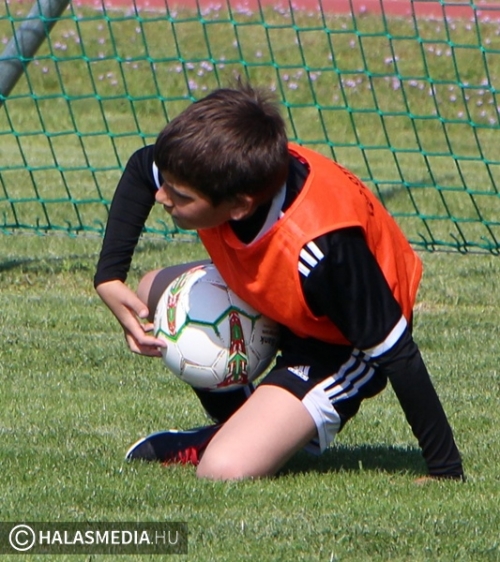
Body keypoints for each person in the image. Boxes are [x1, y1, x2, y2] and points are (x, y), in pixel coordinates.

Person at [94, 81, 464, 481]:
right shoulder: (216, 170)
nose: (163, 197)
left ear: (240, 206)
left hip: (337, 343)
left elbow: (398, 354)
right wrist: (109, 276)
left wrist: (444, 469)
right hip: (284, 301)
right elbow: (142, 167)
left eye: (180, 196)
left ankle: (231, 439)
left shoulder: (324, 251)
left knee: (221, 470)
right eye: (166, 184)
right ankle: (246, 422)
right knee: (153, 292)